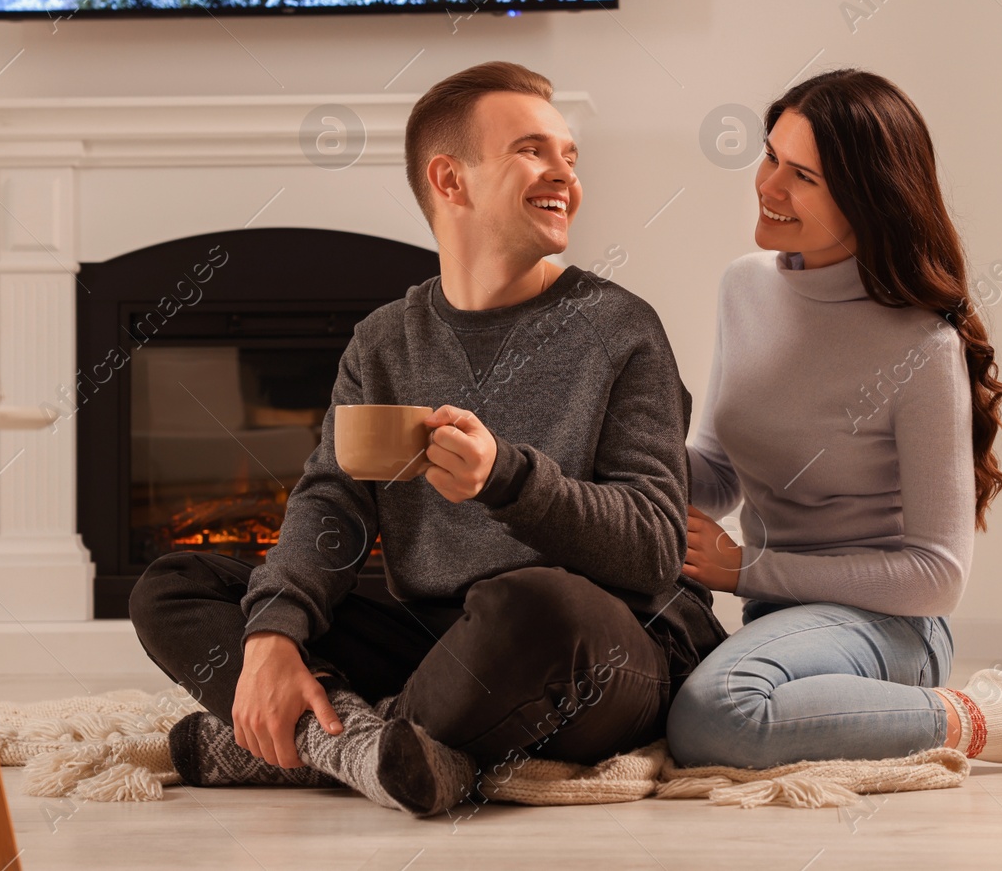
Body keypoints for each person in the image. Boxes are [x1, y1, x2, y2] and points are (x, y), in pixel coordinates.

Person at [130, 61, 725, 819]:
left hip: (602, 645)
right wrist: (275, 632)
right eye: (533, 151)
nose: (564, 175)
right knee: (174, 586)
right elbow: (331, 504)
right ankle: (381, 751)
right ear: (451, 180)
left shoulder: (620, 328)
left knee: (534, 603)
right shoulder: (384, 342)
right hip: (442, 642)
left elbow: (649, 548)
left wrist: (508, 479)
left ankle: (312, 744)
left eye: (570, 156)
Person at [665, 69, 1002, 772]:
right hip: (779, 620)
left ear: (867, 198)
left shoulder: (920, 345)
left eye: (804, 176)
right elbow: (720, 474)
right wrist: (612, 439)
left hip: (894, 626)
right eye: (771, 155)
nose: (769, 185)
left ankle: (987, 716)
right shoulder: (744, 286)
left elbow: (937, 576)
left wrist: (748, 567)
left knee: (714, 715)